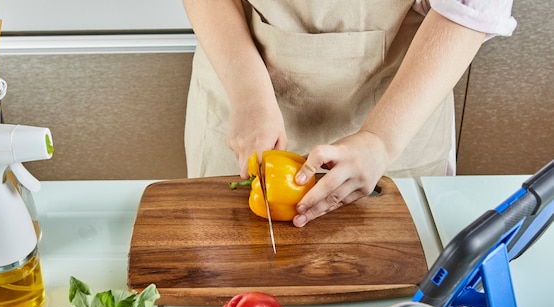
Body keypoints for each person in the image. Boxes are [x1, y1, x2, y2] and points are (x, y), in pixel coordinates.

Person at [182, 0, 516, 227]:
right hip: (237, 76)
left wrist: (381, 139)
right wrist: (247, 91)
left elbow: (468, 10)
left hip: (400, 103)